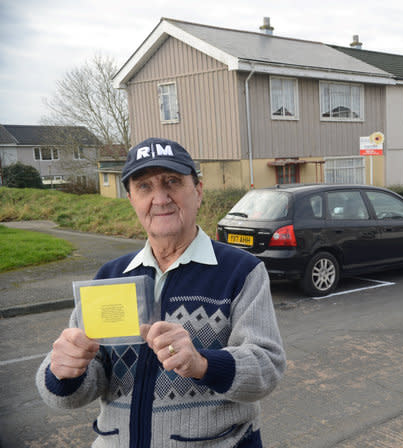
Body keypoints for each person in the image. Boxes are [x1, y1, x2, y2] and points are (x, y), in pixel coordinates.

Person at [36, 138, 286, 447]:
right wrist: (64, 372)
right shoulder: (111, 276)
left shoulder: (241, 271)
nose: (161, 198)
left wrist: (202, 364)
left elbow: (267, 366)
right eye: (144, 187)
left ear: (198, 191)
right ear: (131, 199)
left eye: (172, 182)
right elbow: (80, 387)